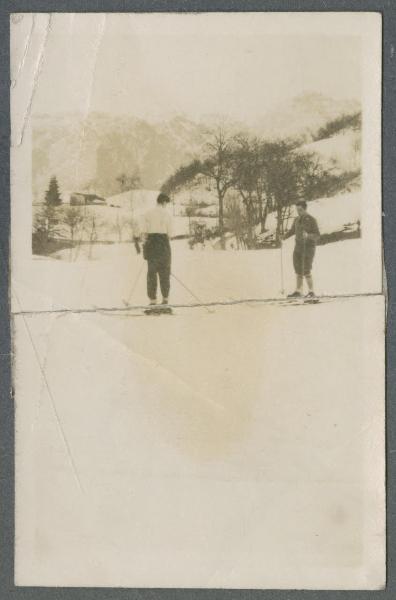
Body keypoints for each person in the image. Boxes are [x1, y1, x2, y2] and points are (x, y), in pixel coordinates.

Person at [283, 200, 320, 298]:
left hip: (308, 248)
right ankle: (298, 291)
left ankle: (311, 292)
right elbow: (292, 231)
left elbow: (317, 235)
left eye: (300, 210)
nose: (298, 212)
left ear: (305, 209)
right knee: (298, 269)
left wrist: (308, 235)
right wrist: (283, 237)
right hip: (298, 247)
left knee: (306, 269)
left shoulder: (311, 219)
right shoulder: (296, 220)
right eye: (297, 210)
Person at [141, 193, 173, 306]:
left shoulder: (147, 214)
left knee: (151, 274)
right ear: (164, 202)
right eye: (166, 203)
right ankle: (165, 300)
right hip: (163, 244)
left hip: (152, 244)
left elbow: (144, 233)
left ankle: (152, 301)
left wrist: (145, 247)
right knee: (165, 273)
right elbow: (170, 234)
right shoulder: (167, 214)